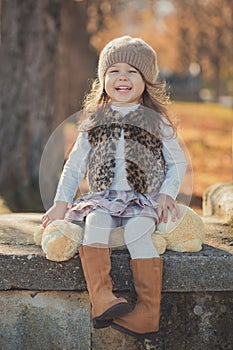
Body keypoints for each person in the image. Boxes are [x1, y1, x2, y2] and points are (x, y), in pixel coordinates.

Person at [42, 36, 187, 339]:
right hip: (101, 198)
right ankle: (102, 299)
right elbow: (74, 166)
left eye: (133, 71)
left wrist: (166, 194)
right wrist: (60, 202)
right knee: (95, 224)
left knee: (137, 233)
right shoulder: (93, 120)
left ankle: (148, 311)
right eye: (114, 71)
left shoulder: (157, 122)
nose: (122, 77)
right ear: (103, 79)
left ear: (147, 80)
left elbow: (177, 163)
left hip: (142, 199)